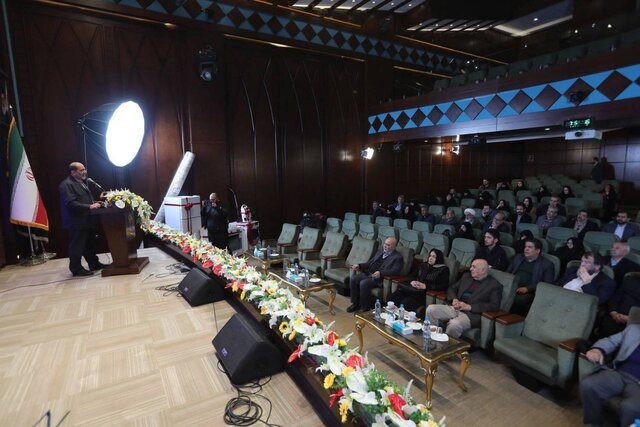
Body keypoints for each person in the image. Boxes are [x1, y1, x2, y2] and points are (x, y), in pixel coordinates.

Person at [580, 319, 640, 427]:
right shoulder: (634, 329)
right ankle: (593, 423)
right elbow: (611, 341)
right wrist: (597, 350)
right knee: (588, 385)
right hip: (620, 373)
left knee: (631, 407)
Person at [425, 259, 502, 338]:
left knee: (454, 324)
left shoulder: (494, 285)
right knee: (431, 309)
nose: (470, 269)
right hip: (455, 307)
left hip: (471, 314)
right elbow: (452, 288)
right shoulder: (466, 276)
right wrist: (454, 299)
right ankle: (431, 337)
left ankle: (447, 347)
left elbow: (494, 305)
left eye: (473, 267)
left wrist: (470, 307)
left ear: (482, 270)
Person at [58, 162, 109, 276]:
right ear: (73, 172)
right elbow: (71, 203)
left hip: (87, 220)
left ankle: (94, 263)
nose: (84, 172)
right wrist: (89, 206)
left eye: (84, 169)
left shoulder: (81, 182)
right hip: (76, 222)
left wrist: (96, 203)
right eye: (81, 170)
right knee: (77, 246)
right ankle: (76, 269)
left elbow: (84, 200)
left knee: (89, 244)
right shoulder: (66, 185)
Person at [347, 237, 404, 312]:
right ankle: (355, 304)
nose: (385, 246)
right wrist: (359, 265)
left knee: (364, 283)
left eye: (388, 245)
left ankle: (365, 307)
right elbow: (370, 263)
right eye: (385, 244)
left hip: (380, 278)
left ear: (394, 246)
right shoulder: (380, 251)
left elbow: (395, 271)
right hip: (369, 273)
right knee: (353, 278)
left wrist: (381, 273)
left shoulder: (397, 257)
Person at [507, 238, 555, 316]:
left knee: (517, 300)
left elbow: (547, 285)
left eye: (530, 247)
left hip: (529, 291)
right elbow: (508, 272)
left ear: (537, 250)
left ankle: (510, 320)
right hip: (512, 285)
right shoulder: (518, 257)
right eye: (525, 247)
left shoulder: (547, 264)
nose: (526, 249)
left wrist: (528, 289)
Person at [598, 274, 640, 338]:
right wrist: (614, 313)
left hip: (636, 325)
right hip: (616, 317)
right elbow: (615, 299)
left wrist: (631, 319)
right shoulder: (630, 279)